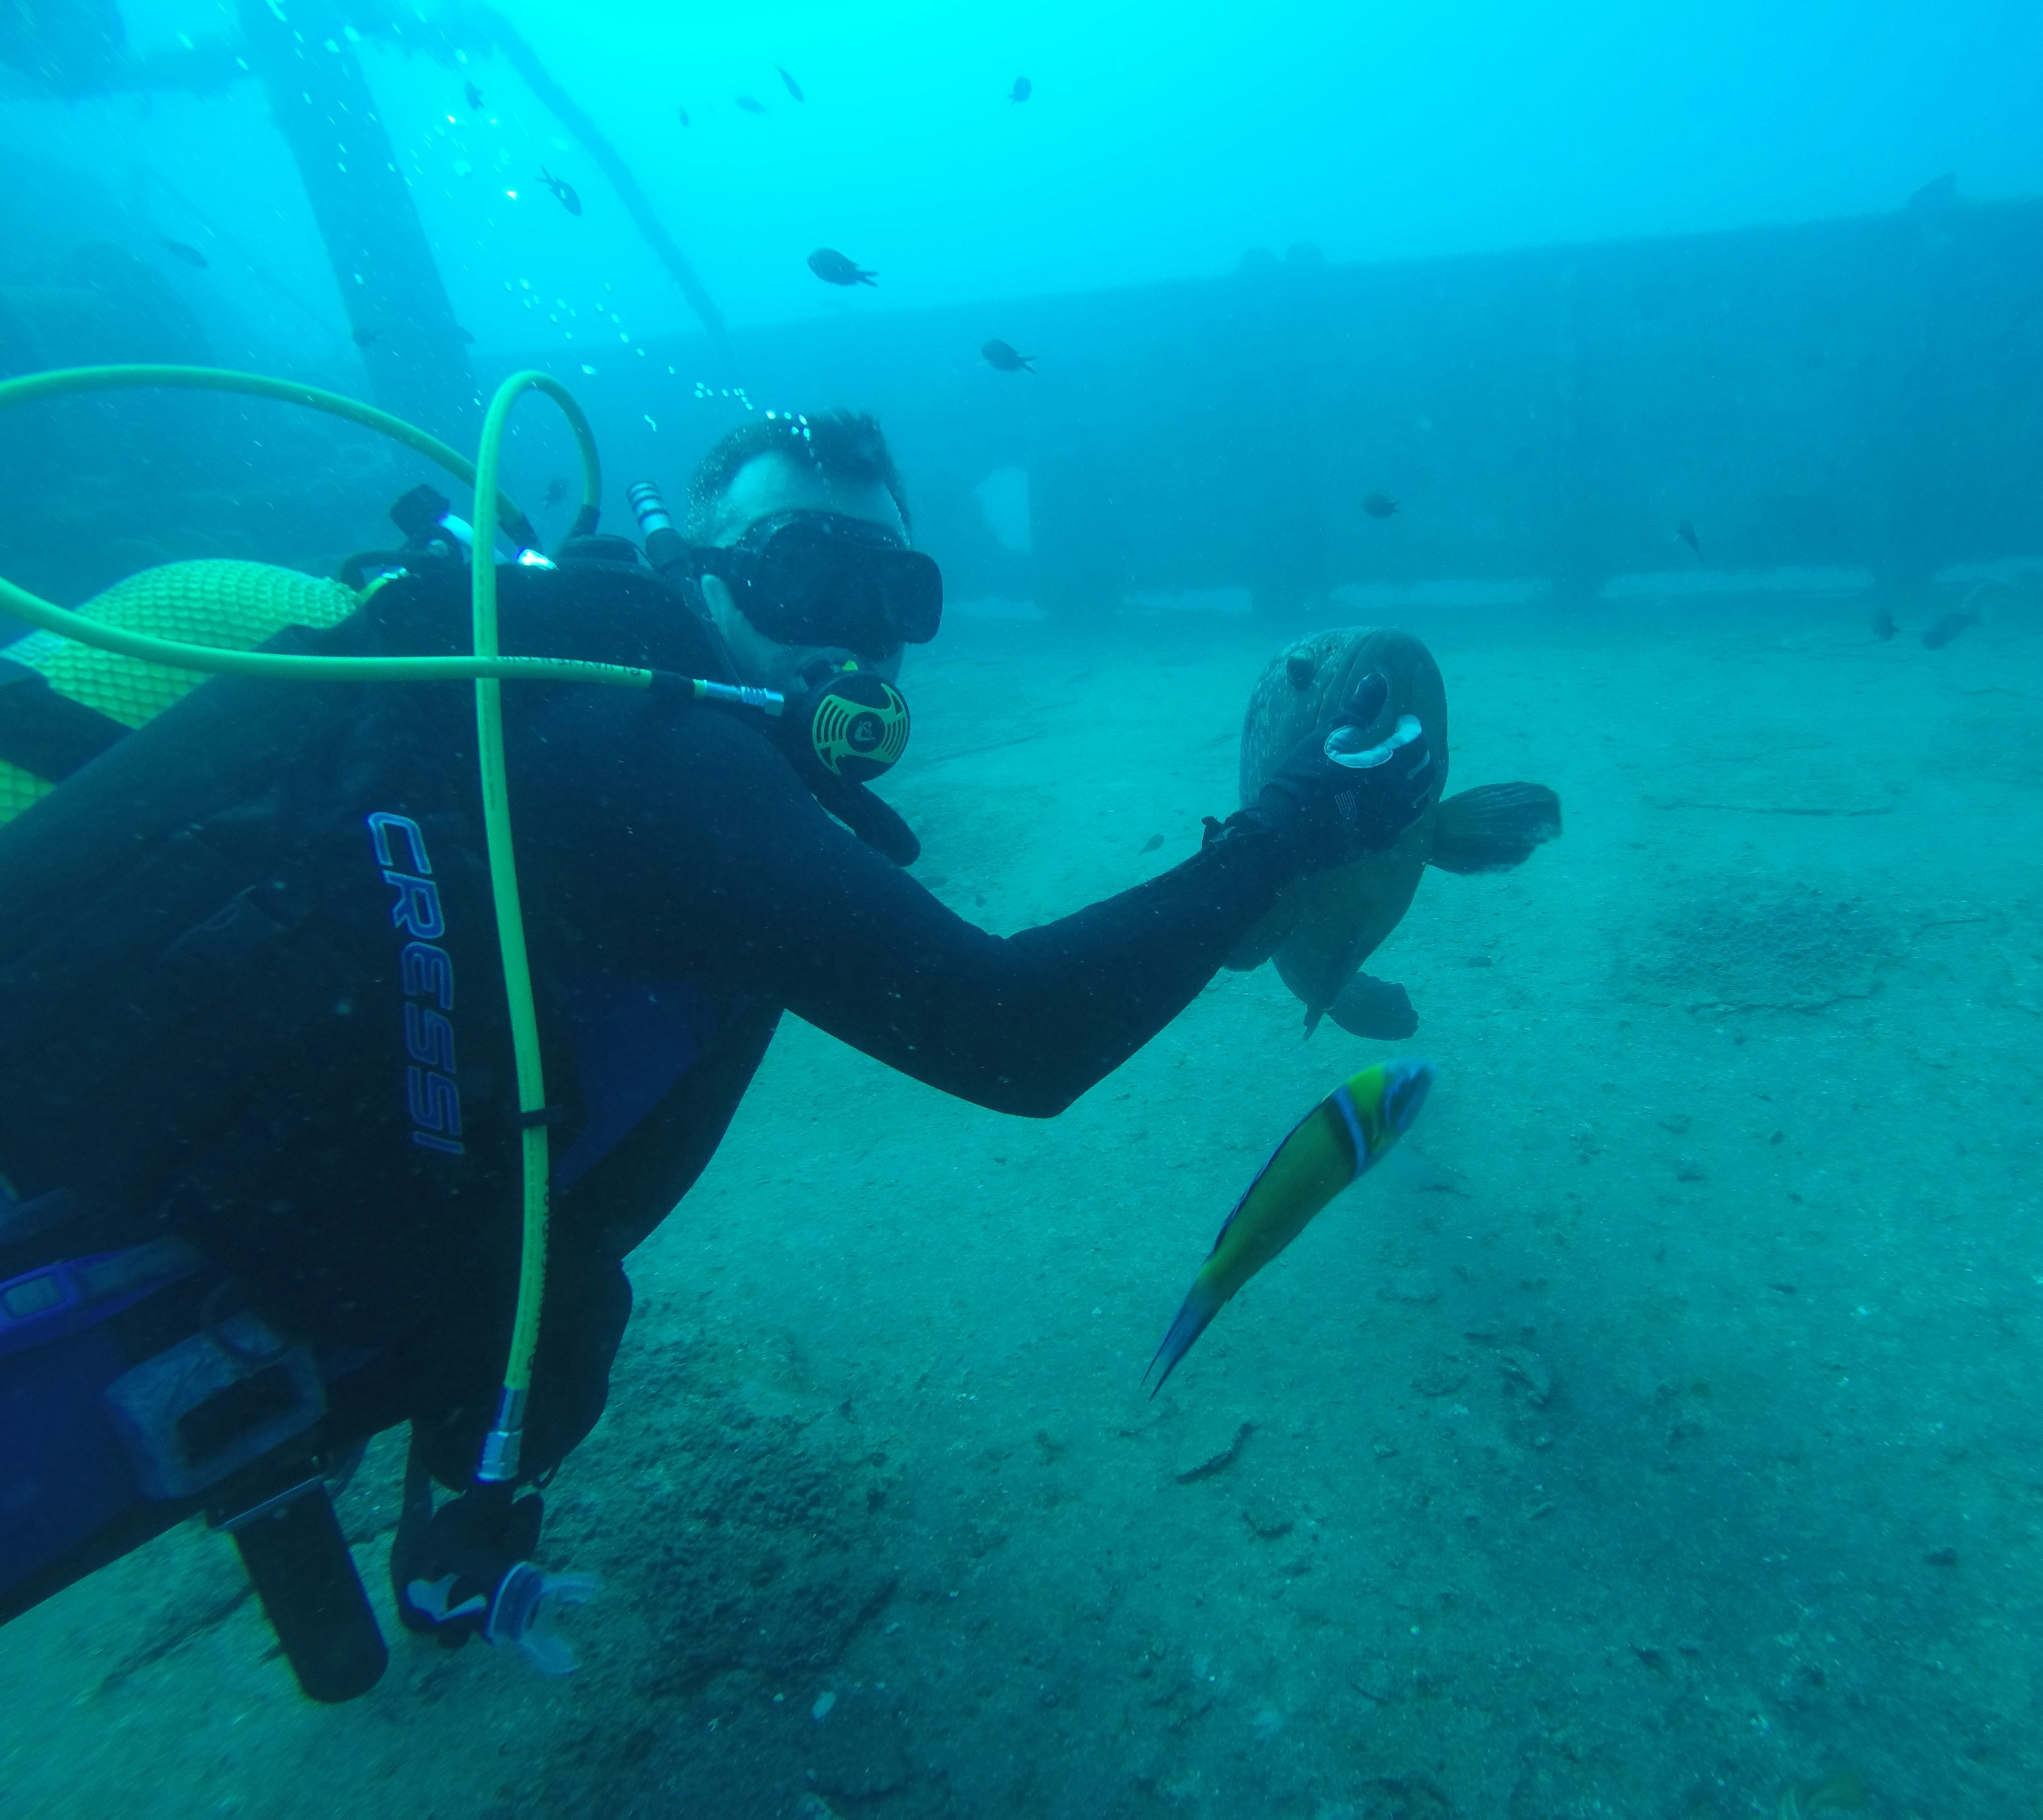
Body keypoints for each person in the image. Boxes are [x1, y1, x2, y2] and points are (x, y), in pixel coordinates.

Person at [0, 408, 1435, 1699]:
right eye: (802, 576)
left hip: (287, 1213)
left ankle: (447, 1508)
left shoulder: (604, 723)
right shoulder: (647, 748)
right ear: (695, 572)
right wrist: (1290, 827)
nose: (853, 638)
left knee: (555, 1310)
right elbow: (1013, 1038)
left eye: (894, 595)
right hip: (89, 1252)